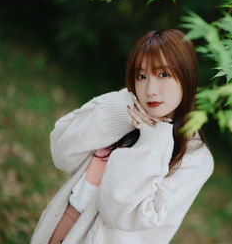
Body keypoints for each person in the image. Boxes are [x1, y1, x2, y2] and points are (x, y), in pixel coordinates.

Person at [30, 29, 214, 244]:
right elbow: (61, 153)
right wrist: (119, 111)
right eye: (141, 76)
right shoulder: (126, 109)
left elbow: (119, 214)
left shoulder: (196, 158)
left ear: (187, 76)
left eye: (163, 74)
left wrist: (153, 138)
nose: (150, 89)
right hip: (61, 222)